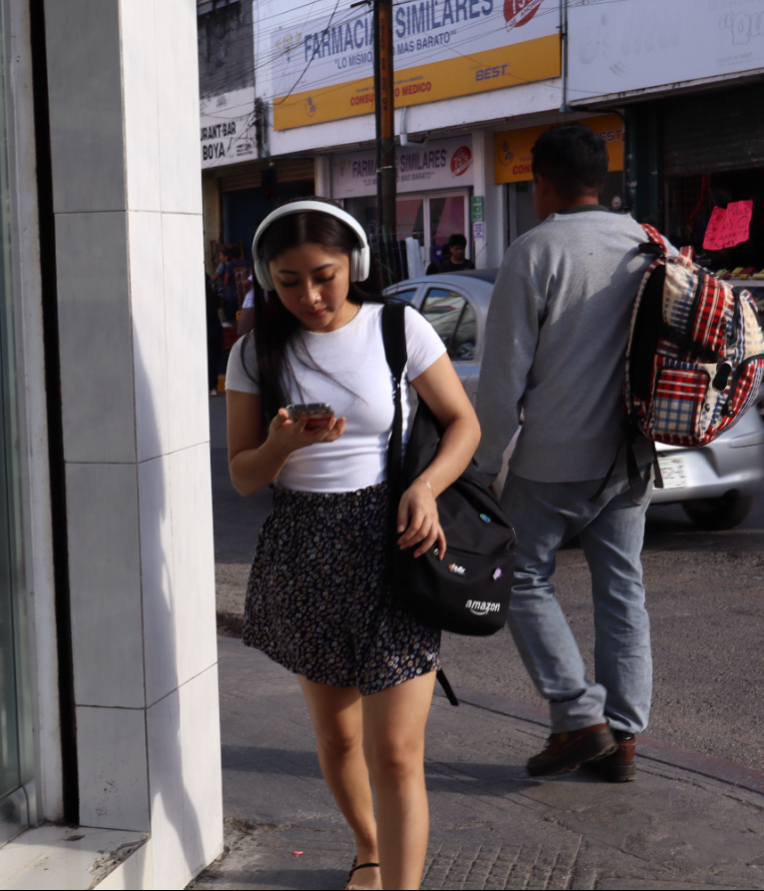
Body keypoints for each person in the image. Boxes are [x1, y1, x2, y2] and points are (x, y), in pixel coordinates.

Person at [225, 199, 480, 890]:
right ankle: (368, 847)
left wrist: (424, 487)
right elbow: (243, 474)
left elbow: (462, 424)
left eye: (324, 275)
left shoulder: (399, 327)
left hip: (394, 541)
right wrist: (279, 443)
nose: (308, 295)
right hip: (305, 549)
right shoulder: (253, 351)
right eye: (287, 280)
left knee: (394, 751)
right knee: (338, 738)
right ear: (264, 278)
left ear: (355, 266)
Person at [476, 124, 669, 784]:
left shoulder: (533, 252)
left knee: (519, 573)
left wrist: (476, 471)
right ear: (602, 180)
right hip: (630, 457)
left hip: (554, 460)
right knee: (622, 588)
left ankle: (575, 713)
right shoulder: (646, 243)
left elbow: (502, 381)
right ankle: (623, 741)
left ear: (542, 183)